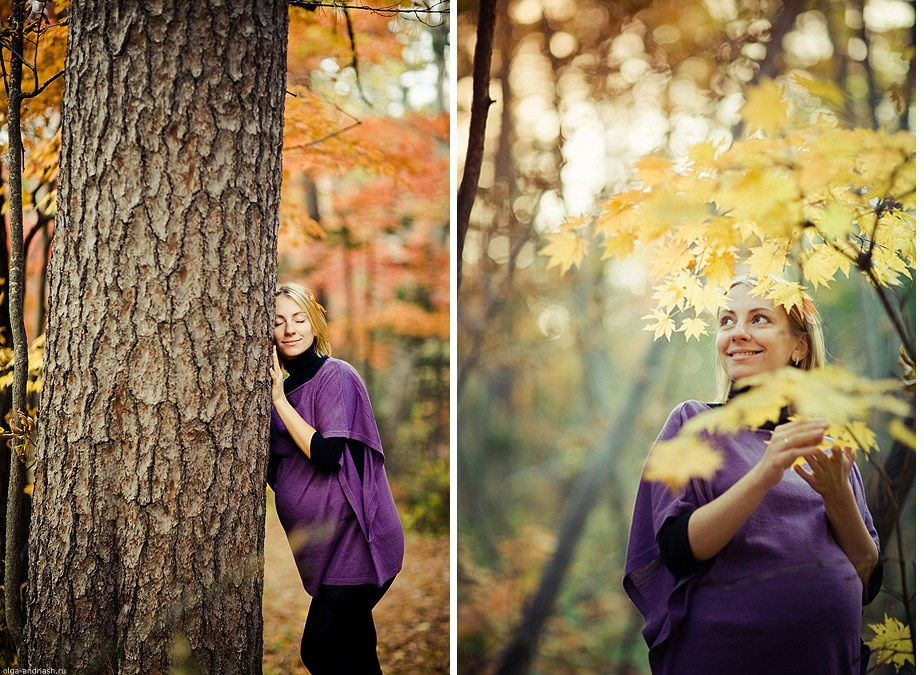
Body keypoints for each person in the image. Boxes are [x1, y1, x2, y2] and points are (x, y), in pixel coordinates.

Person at [623, 277, 881, 675]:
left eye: (758, 319)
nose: (737, 333)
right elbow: (678, 550)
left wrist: (838, 496)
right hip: (725, 657)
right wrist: (766, 471)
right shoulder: (695, 422)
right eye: (727, 321)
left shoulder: (828, 443)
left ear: (799, 346)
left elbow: (868, 581)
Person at [268, 281, 405, 674]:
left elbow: (328, 454)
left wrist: (278, 400)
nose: (290, 329)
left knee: (321, 651)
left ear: (314, 324)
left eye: (298, 319)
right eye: (279, 323)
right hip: (326, 550)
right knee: (357, 655)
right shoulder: (281, 388)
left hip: (358, 542)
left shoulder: (335, 376)